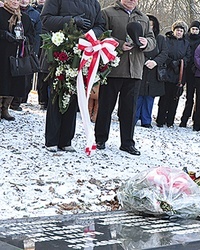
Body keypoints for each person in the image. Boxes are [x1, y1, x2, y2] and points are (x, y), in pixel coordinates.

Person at [41, 0, 106, 152]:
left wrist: (90, 35)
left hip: (84, 52)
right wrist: (71, 20)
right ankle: (52, 139)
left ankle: (65, 140)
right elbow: (46, 19)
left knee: (75, 95)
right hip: (60, 51)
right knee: (58, 94)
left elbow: (100, 25)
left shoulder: (94, 3)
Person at [95, 0, 156, 155]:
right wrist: (119, 44)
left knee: (129, 109)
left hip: (134, 70)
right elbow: (101, 35)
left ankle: (127, 143)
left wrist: (146, 43)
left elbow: (152, 40)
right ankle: (100, 139)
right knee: (106, 106)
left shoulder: (143, 17)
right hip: (113, 68)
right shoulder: (108, 13)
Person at [0, 0, 34, 121]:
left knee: (12, 83)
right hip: (2, 54)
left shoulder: (24, 18)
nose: (15, 2)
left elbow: (32, 34)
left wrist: (25, 38)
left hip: (17, 56)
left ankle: (5, 108)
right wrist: (4, 34)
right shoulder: (1, 13)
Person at [135, 14, 168, 128]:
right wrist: (143, 60)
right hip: (140, 68)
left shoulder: (160, 38)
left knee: (149, 98)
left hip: (154, 71)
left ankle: (146, 120)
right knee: (138, 95)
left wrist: (154, 62)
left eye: (152, 25)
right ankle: (133, 118)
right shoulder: (139, 37)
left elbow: (164, 53)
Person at [155, 20, 190, 128]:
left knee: (174, 98)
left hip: (179, 74)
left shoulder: (186, 43)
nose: (179, 32)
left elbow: (188, 56)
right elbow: (163, 52)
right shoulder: (167, 40)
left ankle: (170, 120)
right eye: (177, 30)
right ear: (173, 30)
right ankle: (160, 119)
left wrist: (180, 62)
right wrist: (170, 62)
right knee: (164, 97)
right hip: (166, 72)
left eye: (181, 30)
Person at [10, 0, 42, 111]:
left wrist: (34, 51)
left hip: (25, 49)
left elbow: (37, 35)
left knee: (24, 77)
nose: (23, 1)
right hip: (9, 47)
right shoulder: (9, 11)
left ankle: (17, 101)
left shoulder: (35, 15)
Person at [179, 20, 200, 128]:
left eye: (196, 29)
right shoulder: (186, 38)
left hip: (197, 70)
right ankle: (184, 119)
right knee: (188, 96)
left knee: (198, 97)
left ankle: (196, 120)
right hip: (186, 69)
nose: (194, 31)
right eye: (193, 29)